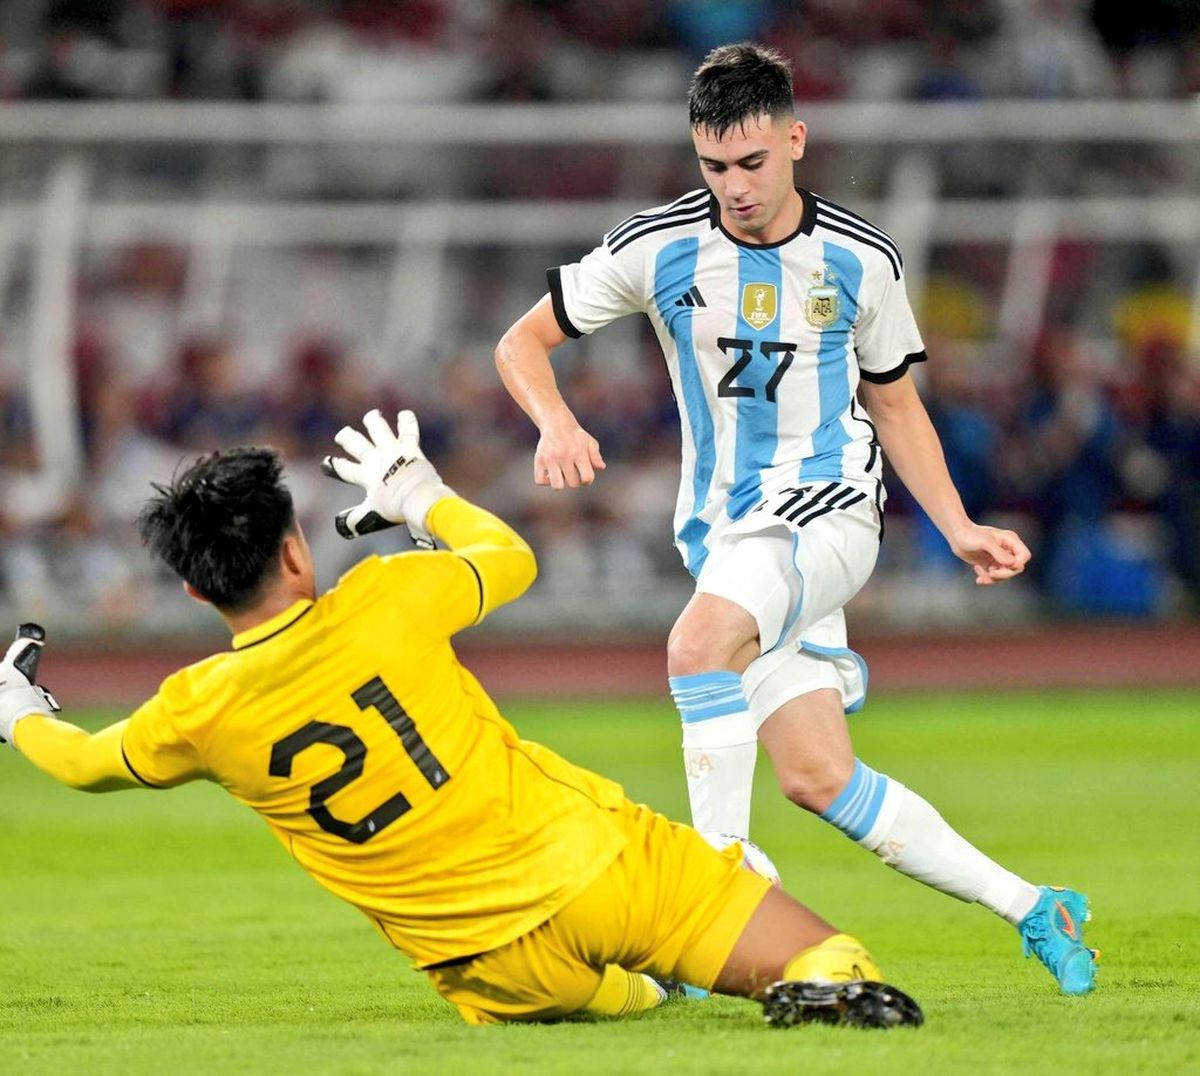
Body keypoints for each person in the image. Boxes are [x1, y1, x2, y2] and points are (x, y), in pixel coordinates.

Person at [494, 42, 1097, 995]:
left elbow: (896, 406)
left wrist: (955, 525)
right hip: (727, 537)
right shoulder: (658, 247)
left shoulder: (861, 260)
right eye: (714, 166)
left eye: (753, 163)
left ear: (796, 141)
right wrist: (556, 419)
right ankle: (1036, 907)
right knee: (820, 780)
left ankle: (714, 892)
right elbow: (521, 343)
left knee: (697, 648)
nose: (733, 186)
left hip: (831, 505)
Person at [0, 408, 922, 1030]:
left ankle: (642, 989)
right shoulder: (387, 593)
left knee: (637, 1000)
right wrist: (414, 495)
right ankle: (775, 975)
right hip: (598, 870)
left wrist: (17, 713)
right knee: (832, 956)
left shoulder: (194, 711)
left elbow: (81, 762)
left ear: (198, 590)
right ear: (295, 548)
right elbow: (509, 556)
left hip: (490, 969)